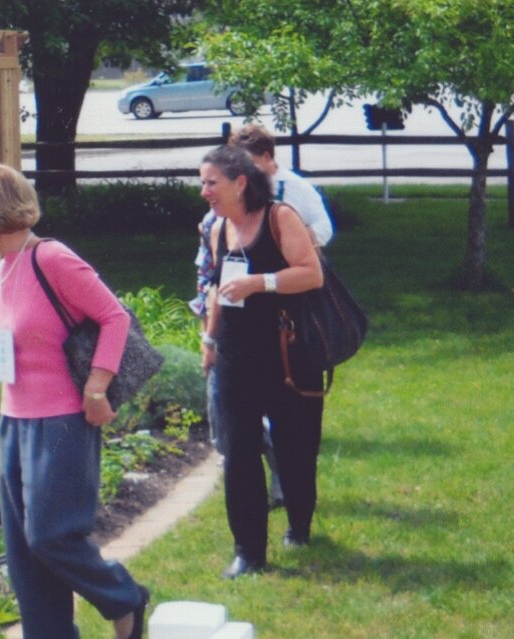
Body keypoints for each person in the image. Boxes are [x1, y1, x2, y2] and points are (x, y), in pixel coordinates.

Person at [0, 164, 148, 639]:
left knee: (51, 536)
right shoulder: (5, 267)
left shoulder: (53, 259)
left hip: (62, 420)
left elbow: (114, 317)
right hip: (15, 419)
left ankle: (124, 598)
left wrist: (97, 387)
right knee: (23, 550)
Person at [199, 145, 326, 579]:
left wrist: (262, 283)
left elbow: (311, 272)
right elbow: (218, 287)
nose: (205, 191)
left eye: (211, 182)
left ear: (240, 182)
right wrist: (210, 338)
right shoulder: (219, 227)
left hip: (288, 354)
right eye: (203, 182)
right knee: (239, 452)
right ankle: (249, 551)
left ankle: (300, 522)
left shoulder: (280, 217)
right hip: (237, 355)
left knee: (296, 447)